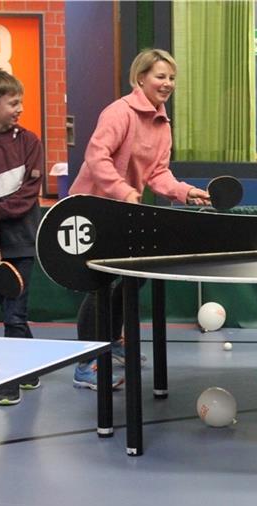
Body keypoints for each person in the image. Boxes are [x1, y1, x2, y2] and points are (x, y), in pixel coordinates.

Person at [69, 49, 211, 390]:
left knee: (134, 278)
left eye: (172, 78)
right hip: (94, 207)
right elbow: (96, 155)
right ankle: (86, 363)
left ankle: (111, 339)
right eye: (160, 76)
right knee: (100, 284)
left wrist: (186, 193)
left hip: (124, 209)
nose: (167, 84)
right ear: (140, 78)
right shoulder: (119, 112)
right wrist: (122, 190)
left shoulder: (162, 124)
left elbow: (158, 173)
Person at [0, 69, 44, 406]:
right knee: (10, 308)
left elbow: (29, 195)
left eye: (21, 101)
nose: (20, 108)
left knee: (13, 314)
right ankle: (31, 369)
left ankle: (12, 381)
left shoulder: (30, 142)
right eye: (13, 102)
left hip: (23, 240)